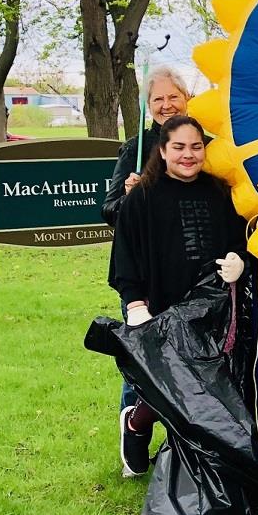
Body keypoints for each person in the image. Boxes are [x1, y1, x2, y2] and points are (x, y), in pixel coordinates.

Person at [111, 115, 247, 477]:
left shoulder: (219, 193)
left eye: (196, 147)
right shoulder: (141, 197)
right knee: (165, 384)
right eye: (180, 147)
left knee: (205, 385)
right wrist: (135, 303)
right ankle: (136, 425)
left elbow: (239, 241)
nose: (189, 155)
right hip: (159, 305)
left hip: (211, 309)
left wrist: (240, 261)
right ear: (163, 150)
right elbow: (125, 254)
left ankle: (194, 459)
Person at [102, 66, 192, 412]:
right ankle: (134, 431)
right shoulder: (135, 150)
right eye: (158, 99)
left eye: (173, 96)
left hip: (191, 270)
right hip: (144, 274)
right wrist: (130, 197)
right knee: (145, 356)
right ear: (147, 105)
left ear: (186, 99)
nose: (166, 105)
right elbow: (110, 211)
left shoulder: (204, 146)